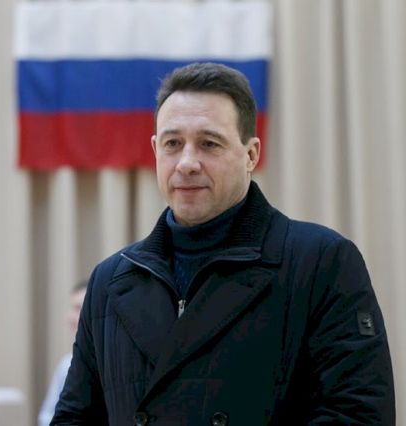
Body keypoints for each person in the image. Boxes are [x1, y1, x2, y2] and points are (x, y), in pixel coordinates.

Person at [52, 63, 395, 425]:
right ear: (155, 150)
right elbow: (74, 418)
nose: (186, 163)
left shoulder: (321, 262)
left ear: (251, 155)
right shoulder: (109, 281)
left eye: (209, 144)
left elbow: (358, 415)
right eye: (172, 144)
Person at [38, 281, 88, 426]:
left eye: (78, 308)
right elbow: (47, 416)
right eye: (72, 308)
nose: (70, 317)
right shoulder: (66, 364)